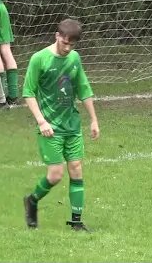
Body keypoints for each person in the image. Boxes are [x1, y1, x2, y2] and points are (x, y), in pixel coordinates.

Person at [21, 18, 100, 232]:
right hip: (50, 129)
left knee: (76, 169)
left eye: (71, 45)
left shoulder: (74, 58)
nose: (67, 48)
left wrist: (93, 119)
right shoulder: (39, 59)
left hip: (72, 126)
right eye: (64, 43)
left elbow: (83, 89)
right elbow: (28, 92)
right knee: (55, 175)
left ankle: (76, 221)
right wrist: (41, 121)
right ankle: (32, 200)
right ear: (57, 36)